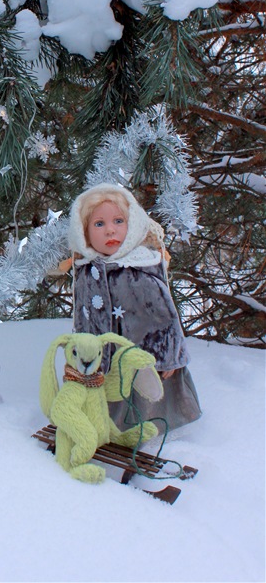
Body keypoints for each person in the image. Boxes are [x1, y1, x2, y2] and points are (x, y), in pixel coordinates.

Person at [68, 182, 201, 433]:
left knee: (141, 401)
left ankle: (144, 429)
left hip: (143, 362)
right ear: (83, 232)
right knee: (105, 399)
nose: (110, 231)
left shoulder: (138, 270)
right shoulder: (86, 270)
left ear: (132, 225)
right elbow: (81, 317)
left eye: (118, 221)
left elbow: (164, 318)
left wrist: (168, 357)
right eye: (99, 224)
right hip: (97, 365)